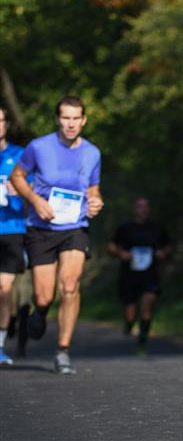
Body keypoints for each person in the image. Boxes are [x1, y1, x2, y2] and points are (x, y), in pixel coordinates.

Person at [10, 95, 103, 374]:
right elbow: (17, 176)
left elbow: (93, 189)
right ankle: (40, 311)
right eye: (65, 118)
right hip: (42, 228)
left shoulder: (92, 153)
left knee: (70, 286)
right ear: (57, 119)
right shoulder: (39, 147)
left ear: (84, 120)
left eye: (76, 118)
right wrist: (35, 201)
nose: (70, 124)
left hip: (75, 226)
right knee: (43, 296)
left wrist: (96, 202)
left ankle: (63, 351)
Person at [108, 197, 171, 352]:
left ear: (149, 209)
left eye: (146, 206)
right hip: (129, 274)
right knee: (130, 310)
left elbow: (167, 245)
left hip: (150, 273)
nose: (143, 209)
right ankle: (129, 323)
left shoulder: (157, 228)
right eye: (140, 206)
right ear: (134, 209)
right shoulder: (125, 228)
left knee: (147, 303)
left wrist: (163, 253)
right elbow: (112, 245)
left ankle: (143, 340)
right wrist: (121, 254)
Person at [0, 106, 29, 365]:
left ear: (6, 124)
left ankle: (0, 346)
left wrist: (20, 191)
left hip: (11, 230)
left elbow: (35, 195)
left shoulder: (19, 155)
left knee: (5, 288)